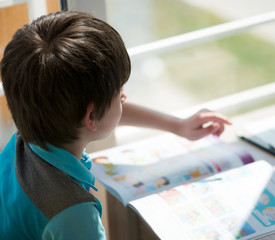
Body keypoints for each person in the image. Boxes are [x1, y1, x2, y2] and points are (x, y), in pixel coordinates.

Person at [0, 11, 231, 239]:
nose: (124, 97)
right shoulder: (74, 214)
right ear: (90, 117)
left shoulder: (31, 127)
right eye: (119, 91)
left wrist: (178, 126)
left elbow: (103, 111)